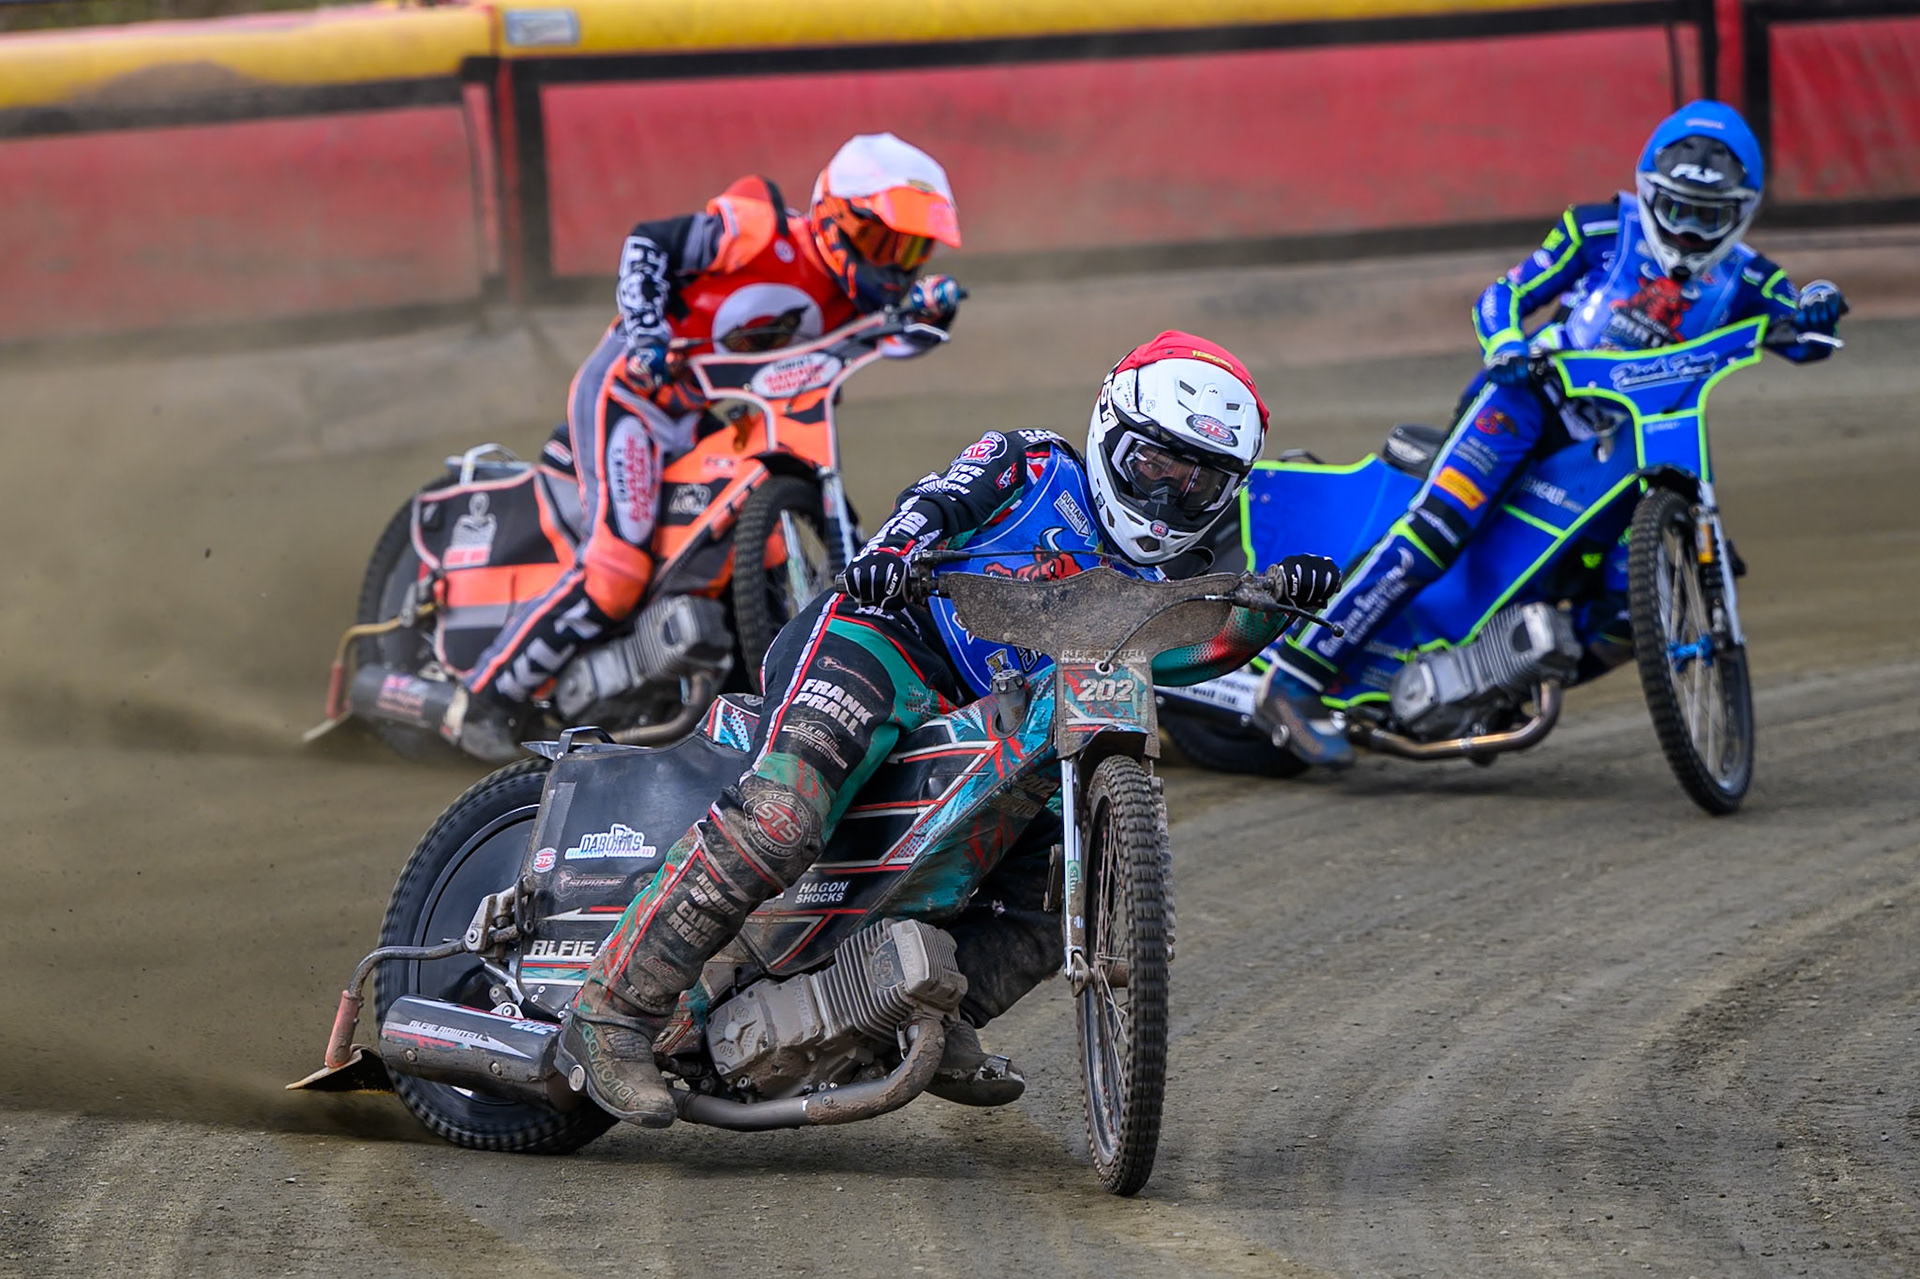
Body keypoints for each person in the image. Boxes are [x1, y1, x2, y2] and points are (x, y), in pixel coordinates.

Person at [554, 330, 1344, 1126]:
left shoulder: (1176, 573)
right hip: (884, 638)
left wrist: (1272, 606)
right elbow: (933, 504)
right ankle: (610, 1013)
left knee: (1063, 873)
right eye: (1156, 467)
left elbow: (1200, 645)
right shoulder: (1031, 462)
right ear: (1111, 431)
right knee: (783, 817)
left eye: (1200, 484)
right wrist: (896, 550)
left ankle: (936, 1010)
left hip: (998, 722)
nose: (1172, 497)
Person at [1256, 100, 1849, 768]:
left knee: (1628, 611)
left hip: (1632, 443)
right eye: (1676, 209)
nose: (1685, 232)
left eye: (1706, 217)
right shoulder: (1599, 228)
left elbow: (1804, 337)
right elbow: (1500, 297)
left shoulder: (1749, 278)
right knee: (1439, 527)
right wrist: (1507, 342)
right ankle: (1295, 681)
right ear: (1651, 192)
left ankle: (1494, 687)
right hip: (1528, 402)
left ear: (1740, 211)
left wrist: (1818, 306)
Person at [444, 133, 968, 760]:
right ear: (836, 218)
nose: (896, 265)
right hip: (631, 396)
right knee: (616, 569)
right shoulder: (758, 230)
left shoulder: (850, 299)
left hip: (700, 417)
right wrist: (645, 333)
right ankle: (484, 698)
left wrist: (927, 306)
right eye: (886, 243)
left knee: (765, 540)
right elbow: (647, 243)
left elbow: (890, 338)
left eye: (913, 250)